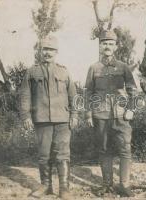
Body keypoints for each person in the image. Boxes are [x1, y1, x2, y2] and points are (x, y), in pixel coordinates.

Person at [20, 35, 78, 199]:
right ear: (40, 51)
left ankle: (64, 189)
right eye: (45, 49)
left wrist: (75, 114)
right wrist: (25, 116)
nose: (48, 53)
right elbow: (25, 96)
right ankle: (46, 185)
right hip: (42, 119)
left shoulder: (64, 71)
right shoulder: (31, 72)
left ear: (56, 51)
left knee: (63, 154)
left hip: (62, 120)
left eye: (51, 49)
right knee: (44, 154)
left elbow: (74, 96)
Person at [84, 29, 137, 197]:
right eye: (104, 43)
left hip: (121, 116)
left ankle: (124, 185)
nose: (107, 46)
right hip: (101, 115)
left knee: (125, 150)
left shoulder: (123, 67)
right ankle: (107, 184)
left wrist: (131, 109)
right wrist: (88, 113)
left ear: (116, 46)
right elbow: (88, 93)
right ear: (100, 46)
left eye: (111, 43)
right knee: (104, 150)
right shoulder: (93, 68)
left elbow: (133, 91)